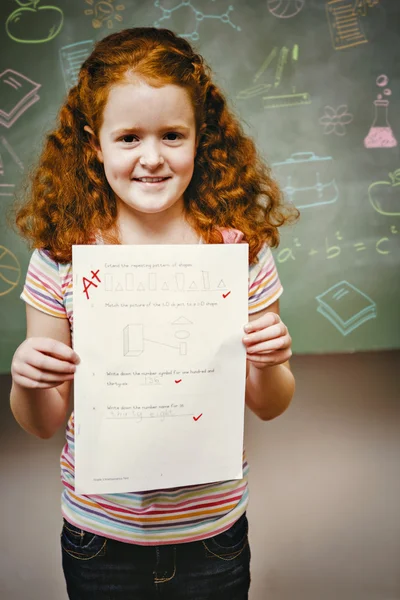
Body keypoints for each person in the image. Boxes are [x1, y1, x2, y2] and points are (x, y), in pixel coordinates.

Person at [10, 27, 297, 600]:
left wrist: (270, 362)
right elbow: (42, 422)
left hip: (212, 535)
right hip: (100, 537)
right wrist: (28, 376)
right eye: (128, 137)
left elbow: (270, 405)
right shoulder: (61, 258)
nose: (152, 158)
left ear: (200, 137)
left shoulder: (236, 253)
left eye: (172, 135)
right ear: (94, 144)